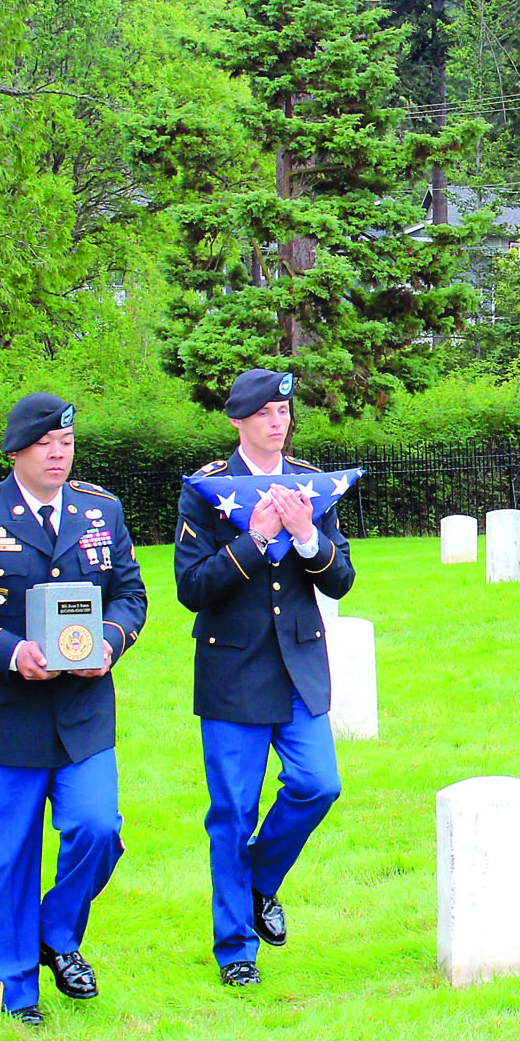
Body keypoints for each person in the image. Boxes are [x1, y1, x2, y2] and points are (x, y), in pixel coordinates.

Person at [0, 393, 148, 1025]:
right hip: (1, 714)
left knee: (98, 828)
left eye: (66, 443)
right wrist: (10, 650)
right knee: (7, 857)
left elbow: (130, 593)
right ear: (16, 452)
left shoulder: (101, 509)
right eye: (46, 444)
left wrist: (110, 640)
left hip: (80, 711)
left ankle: (56, 932)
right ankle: (14, 989)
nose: (58, 454)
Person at [174, 368, 355, 988]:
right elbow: (192, 588)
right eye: (264, 414)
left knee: (318, 784)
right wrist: (254, 539)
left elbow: (340, 580)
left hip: (298, 667)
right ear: (238, 422)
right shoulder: (207, 490)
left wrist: (306, 535)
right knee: (232, 810)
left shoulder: (311, 485)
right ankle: (236, 950)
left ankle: (256, 881)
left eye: (284, 411)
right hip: (233, 670)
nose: (278, 422)